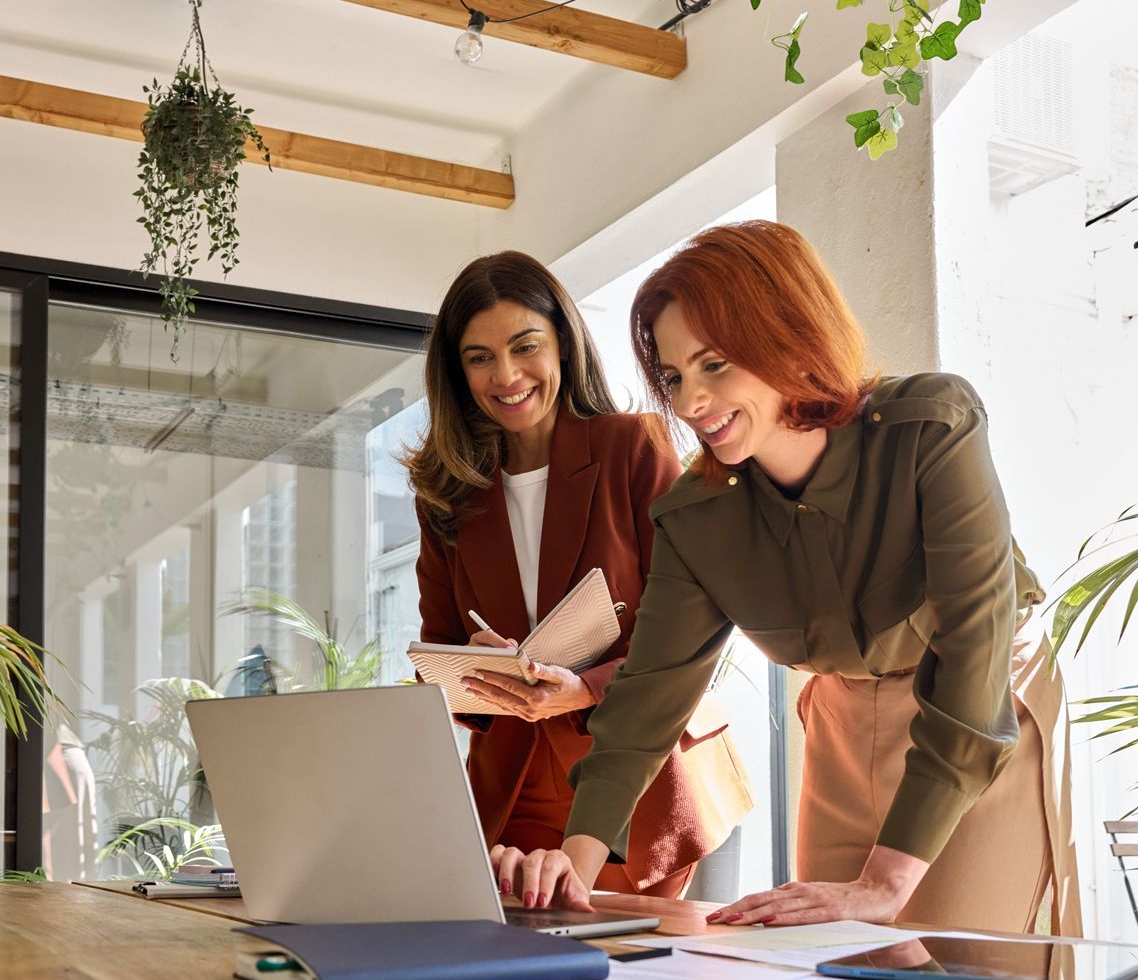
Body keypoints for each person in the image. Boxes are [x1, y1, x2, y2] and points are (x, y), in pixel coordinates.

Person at [491, 221, 1081, 934]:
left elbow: (973, 652)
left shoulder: (931, 431)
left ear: (787, 335)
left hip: (980, 713)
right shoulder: (697, 517)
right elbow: (647, 702)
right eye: (675, 377)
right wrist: (571, 869)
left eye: (713, 365)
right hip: (839, 720)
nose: (688, 402)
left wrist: (884, 882)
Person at [405, 251, 752, 900]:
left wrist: (584, 686)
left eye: (523, 345)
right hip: (515, 790)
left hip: (637, 777)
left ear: (562, 341)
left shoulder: (633, 448)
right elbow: (437, 658)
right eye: (478, 357)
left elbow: (694, 627)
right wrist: (471, 669)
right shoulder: (446, 495)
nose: (505, 375)